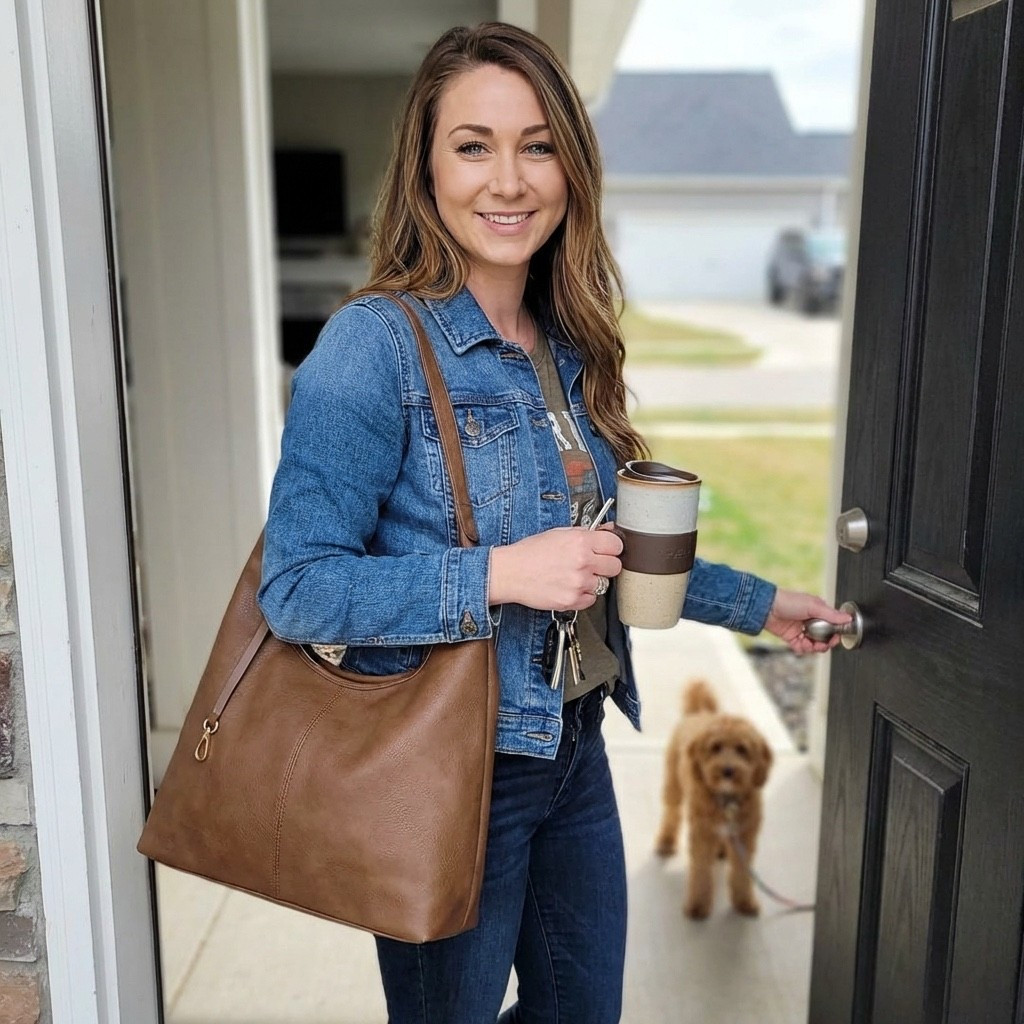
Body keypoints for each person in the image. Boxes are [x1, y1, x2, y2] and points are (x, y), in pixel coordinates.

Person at [258, 21, 850, 1024]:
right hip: (450, 771)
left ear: (570, 168)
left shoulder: (566, 345)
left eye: (536, 146)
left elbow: (605, 551)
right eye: (473, 145)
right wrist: (499, 573)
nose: (508, 180)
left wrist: (761, 604)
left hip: (572, 746)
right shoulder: (373, 347)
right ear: (426, 168)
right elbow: (298, 587)